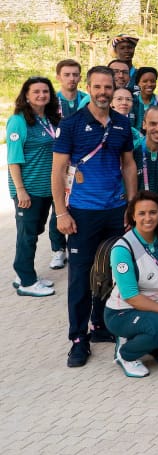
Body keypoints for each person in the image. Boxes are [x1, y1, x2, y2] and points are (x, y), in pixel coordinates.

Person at [52, 65, 137, 367]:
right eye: (97, 87)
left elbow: (128, 166)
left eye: (108, 87)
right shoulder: (72, 124)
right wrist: (61, 212)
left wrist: (131, 205)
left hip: (115, 211)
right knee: (80, 277)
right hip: (82, 213)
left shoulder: (122, 124)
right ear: (89, 87)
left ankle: (100, 325)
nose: (103, 92)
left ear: (115, 89)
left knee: (110, 271)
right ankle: (78, 338)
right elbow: (58, 170)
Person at [104, 191, 158, 377]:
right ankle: (125, 353)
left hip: (157, 311)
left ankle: (146, 337)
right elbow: (131, 297)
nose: (148, 218)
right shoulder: (122, 248)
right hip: (123, 312)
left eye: (153, 212)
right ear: (133, 216)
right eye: (142, 213)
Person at [10, 76, 64, 296]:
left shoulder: (51, 118)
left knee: (35, 230)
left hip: (47, 188)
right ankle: (26, 282)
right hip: (28, 189)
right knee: (27, 235)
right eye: (36, 92)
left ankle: (24, 273)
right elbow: (13, 159)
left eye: (45, 91)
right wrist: (20, 190)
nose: (42, 95)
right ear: (26, 95)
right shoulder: (19, 120)